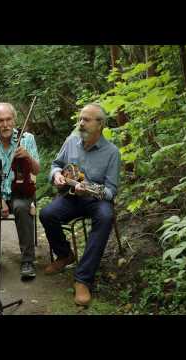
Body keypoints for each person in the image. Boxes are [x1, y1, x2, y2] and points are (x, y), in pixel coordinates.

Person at [39, 103, 121, 306]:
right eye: (80, 119)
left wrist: (91, 189)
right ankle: (65, 255)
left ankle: (83, 279)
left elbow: (111, 190)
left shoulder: (112, 152)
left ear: (100, 124)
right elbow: (56, 164)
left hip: (95, 200)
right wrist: (56, 174)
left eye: (86, 120)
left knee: (105, 217)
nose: (80, 123)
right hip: (71, 196)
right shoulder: (71, 141)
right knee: (47, 213)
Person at [0, 102, 40, 280]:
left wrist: (27, 155)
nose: (5, 124)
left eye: (8, 119)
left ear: (14, 119)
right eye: (0, 120)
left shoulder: (27, 139)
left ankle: (27, 261)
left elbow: (36, 171)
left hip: (21, 190)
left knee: (22, 208)